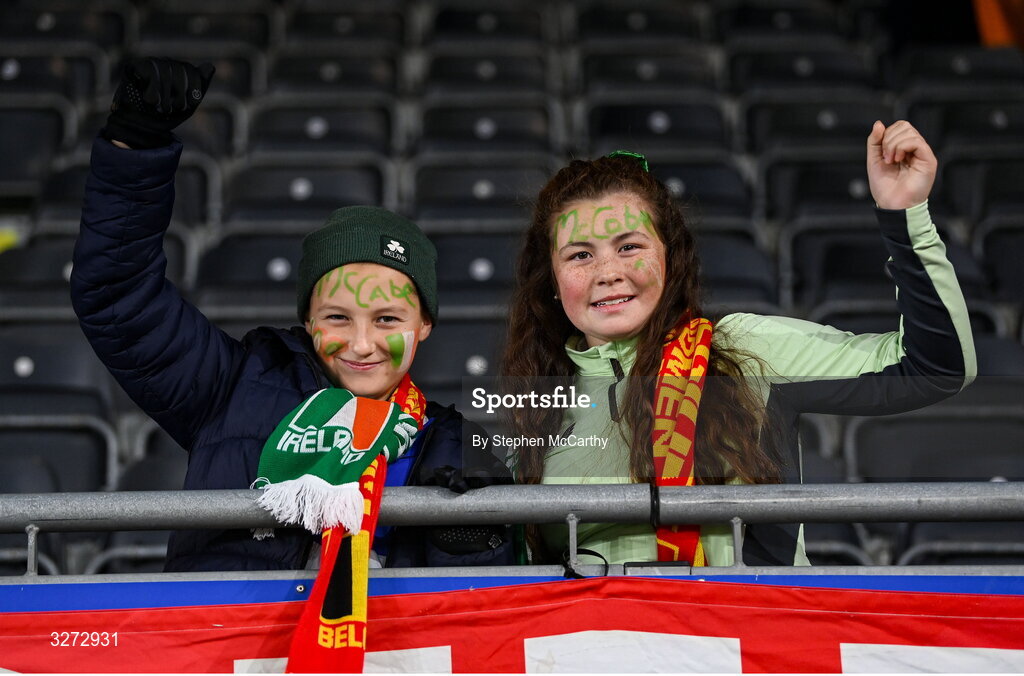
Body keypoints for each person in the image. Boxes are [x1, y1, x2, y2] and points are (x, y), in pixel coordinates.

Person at [70, 57, 513, 571]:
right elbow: (118, 296)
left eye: (387, 320)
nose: (362, 344)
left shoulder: (460, 446)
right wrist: (134, 147)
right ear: (307, 320)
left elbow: (479, 618)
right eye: (338, 318)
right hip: (225, 647)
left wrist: (476, 535)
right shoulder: (232, 387)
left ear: (425, 326)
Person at [501, 123, 976, 567]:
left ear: (672, 257)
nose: (608, 272)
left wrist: (904, 217)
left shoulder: (742, 349)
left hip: (739, 642)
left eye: (629, 247)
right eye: (580, 255)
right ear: (553, 279)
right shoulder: (536, 401)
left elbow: (934, 367)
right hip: (587, 650)